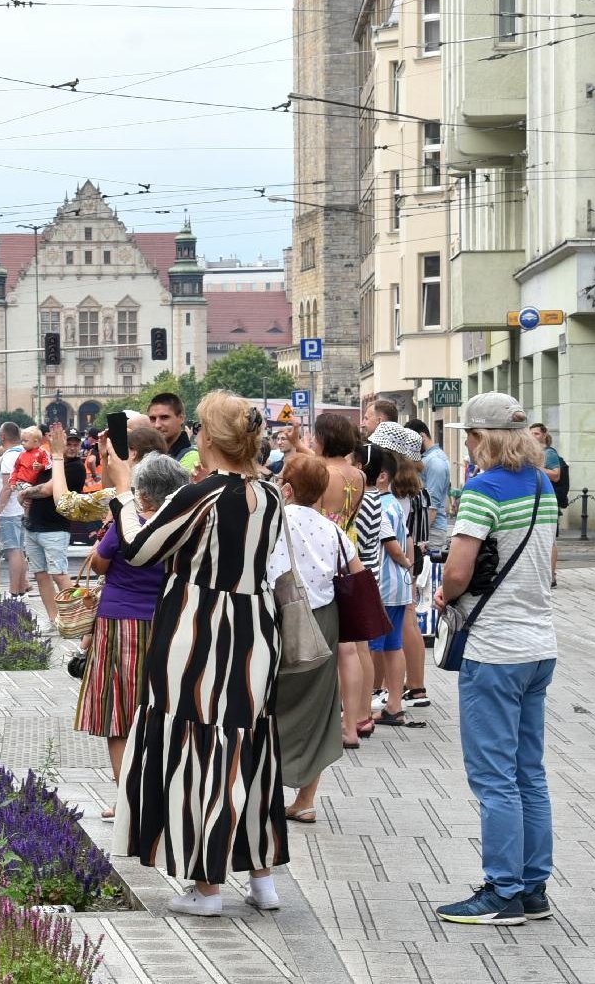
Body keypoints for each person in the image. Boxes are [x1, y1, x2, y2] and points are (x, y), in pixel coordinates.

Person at [100, 390, 288, 916]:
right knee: (249, 743)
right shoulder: (269, 496)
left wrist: (121, 494)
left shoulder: (200, 493)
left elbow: (140, 549)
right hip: (255, 628)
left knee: (197, 743)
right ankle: (262, 876)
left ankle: (206, 888)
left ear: (207, 438)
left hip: (197, 629)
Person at [432, 392, 557, 926]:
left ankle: (502, 891)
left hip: (495, 648)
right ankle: (533, 887)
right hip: (539, 644)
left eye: (468, 435)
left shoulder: (482, 490)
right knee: (529, 771)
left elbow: (459, 572)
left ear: (481, 438)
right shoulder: (542, 484)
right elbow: (547, 563)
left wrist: (442, 594)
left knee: (494, 777)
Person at [71, 447, 187, 819]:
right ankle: (160, 791)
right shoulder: (181, 524)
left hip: (119, 622)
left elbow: (100, 564)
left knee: (117, 714)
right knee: (159, 709)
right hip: (168, 623)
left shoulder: (129, 519)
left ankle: (127, 798)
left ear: (144, 491)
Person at [268, 453, 364, 825]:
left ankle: (266, 789)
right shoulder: (332, 529)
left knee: (271, 702)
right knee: (318, 708)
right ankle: (305, 799)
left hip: (280, 616)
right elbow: (356, 573)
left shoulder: (275, 522)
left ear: (287, 488)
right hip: (324, 621)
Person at [315, 413, 377, 744]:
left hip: (322, 555)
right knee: (351, 647)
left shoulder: (322, 473)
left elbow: (314, 514)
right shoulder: (358, 475)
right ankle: (352, 724)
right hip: (349, 552)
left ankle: (327, 722)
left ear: (323, 439)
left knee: (329, 646)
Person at [362, 444, 415, 730]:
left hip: (382, 584)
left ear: (381, 476)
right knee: (393, 645)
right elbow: (407, 538)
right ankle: (394, 704)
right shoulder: (395, 503)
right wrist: (410, 569)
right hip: (398, 586)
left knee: (373, 646)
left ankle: (364, 705)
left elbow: (392, 543)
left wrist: (403, 560)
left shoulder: (378, 504)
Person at [20, 431, 85, 620]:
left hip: (55, 528)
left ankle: (80, 618)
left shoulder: (75, 467)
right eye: (68, 444)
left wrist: (24, 494)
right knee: (40, 575)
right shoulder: (48, 464)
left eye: (76, 444)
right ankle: (53, 619)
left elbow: (47, 490)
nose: (72, 448)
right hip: (33, 525)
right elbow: (31, 481)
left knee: (59, 574)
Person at [0, 422, 30, 597]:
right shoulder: (20, 453)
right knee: (18, 550)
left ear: (3, 436)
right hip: (17, 510)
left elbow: (7, 487)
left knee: (13, 551)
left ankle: (14, 590)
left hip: (9, 512)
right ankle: (20, 588)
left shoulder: (9, 457)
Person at [408, 418, 452, 556]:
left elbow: (432, 505)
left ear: (422, 436)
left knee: (427, 575)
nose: (410, 446)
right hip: (427, 530)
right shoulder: (428, 458)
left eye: (412, 441)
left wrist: (421, 537)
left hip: (431, 533)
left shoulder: (435, 462)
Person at [529, 423, 564, 587]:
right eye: (531, 433)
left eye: (536, 433)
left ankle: (551, 575)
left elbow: (556, 475)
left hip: (547, 500)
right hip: (534, 498)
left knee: (550, 540)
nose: (533, 436)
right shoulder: (531, 452)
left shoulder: (549, 453)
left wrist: (535, 468)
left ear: (544, 435)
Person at [146, 392, 200, 475]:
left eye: (164, 417)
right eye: (153, 419)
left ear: (181, 418)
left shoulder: (192, 457)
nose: (157, 425)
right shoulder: (147, 455)